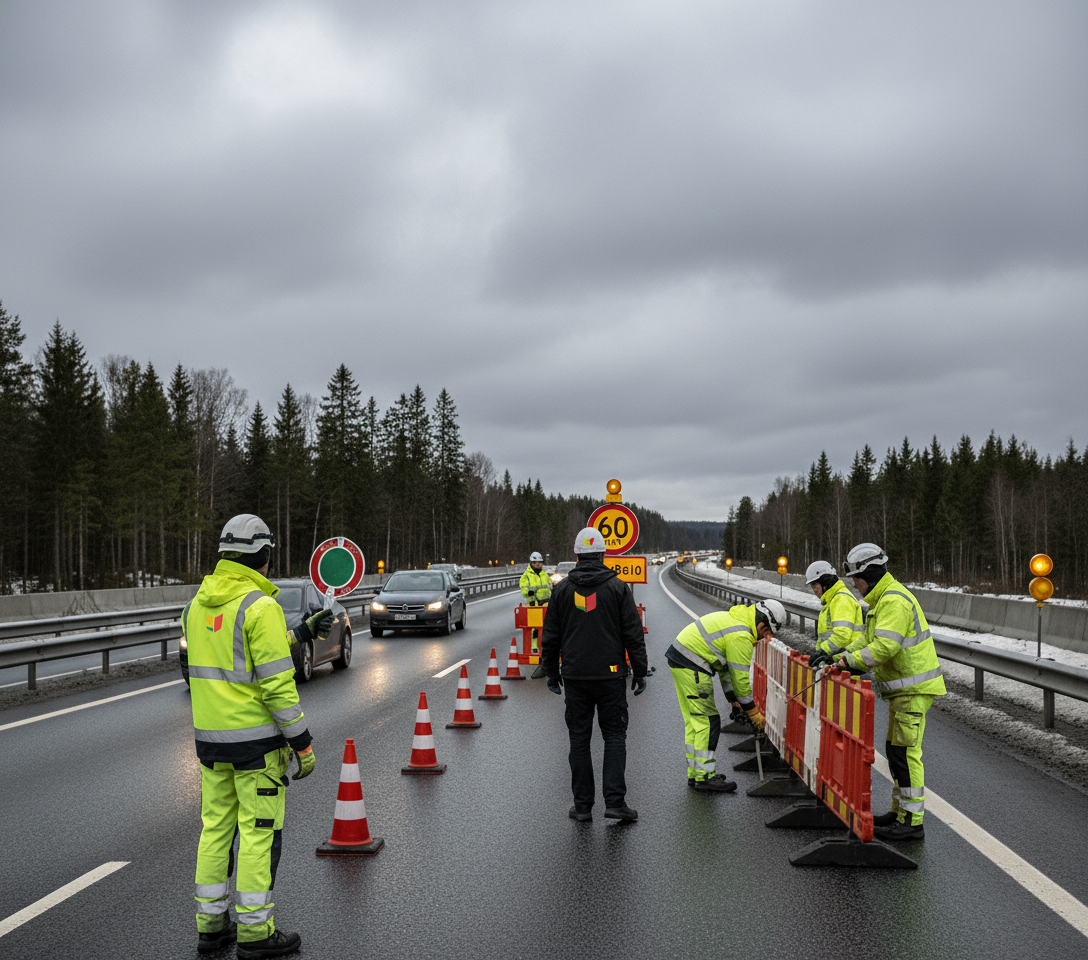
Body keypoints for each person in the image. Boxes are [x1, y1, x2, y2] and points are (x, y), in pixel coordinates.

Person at [183, 514, 330, 958]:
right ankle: (254, 932)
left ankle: (211, 927)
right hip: (258, 749)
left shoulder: (196, 605)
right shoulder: (260, 607)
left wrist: (300, 633)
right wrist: (302, 742)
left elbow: (238, 654)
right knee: (258, 835)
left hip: (211, 745)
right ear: (264, 555)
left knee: (215, 831)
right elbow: (277, 687)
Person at [833, 542, 946, 842]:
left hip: (913, 688)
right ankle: (899, 813)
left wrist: (849, 662)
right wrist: (839, 656)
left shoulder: (894, 601)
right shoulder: (882, 600)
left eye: (856, 578)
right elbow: (868, 640)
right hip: (902, 690)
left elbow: (884, 647)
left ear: (868, 574)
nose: (854, 585)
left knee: (905, 753)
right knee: (895, 751)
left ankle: (912, 822)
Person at [542, 527, 649, 822]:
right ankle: (615, 803)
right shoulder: (617, 587)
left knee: (579, 741)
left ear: (576, 556)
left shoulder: (562, 590)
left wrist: (552, 672)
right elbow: (633, 633)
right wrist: (639, 671)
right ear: (603, 554)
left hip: (575, 676)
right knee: (614, 736)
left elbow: (550, 636)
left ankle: (582, 806)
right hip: (611, 676)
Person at [666, 598, 786, 792]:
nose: (765, 638)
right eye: (766, 632)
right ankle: (705, 777)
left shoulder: (736, 620)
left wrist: (733, 701)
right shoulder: (741, 636)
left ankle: (696, 773)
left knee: (694, 722)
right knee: (708, 721)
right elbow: (740, 682)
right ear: (761, 624)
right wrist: (753, 713)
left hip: (682, 660)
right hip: (692, 664)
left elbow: (724, 669)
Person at [804, 561, 864, 669]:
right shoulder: (832, 601)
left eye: (815, 584)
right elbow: (824, 636)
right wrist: (820, 653)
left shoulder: (841, 599)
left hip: (847, 663)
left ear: (826, 582)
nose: (814, 590)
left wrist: (822, 652)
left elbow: (842, 635)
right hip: (836, 662)